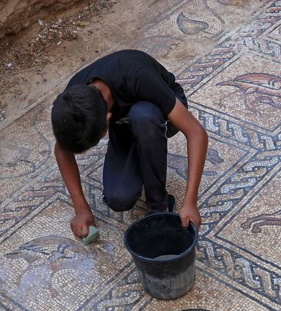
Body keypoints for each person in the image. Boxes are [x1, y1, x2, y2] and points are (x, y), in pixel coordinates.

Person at [50, 49, 208, 236]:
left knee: (143, 116)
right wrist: (81, 209)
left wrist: (190, 202)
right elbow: (62, 150)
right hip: (125, 124)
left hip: (164, 111)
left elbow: (196, 133)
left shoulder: (137, 76)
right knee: (118, 198)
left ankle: (159, 207)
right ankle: (141, 151)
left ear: (107, 119)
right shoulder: (72, 101)